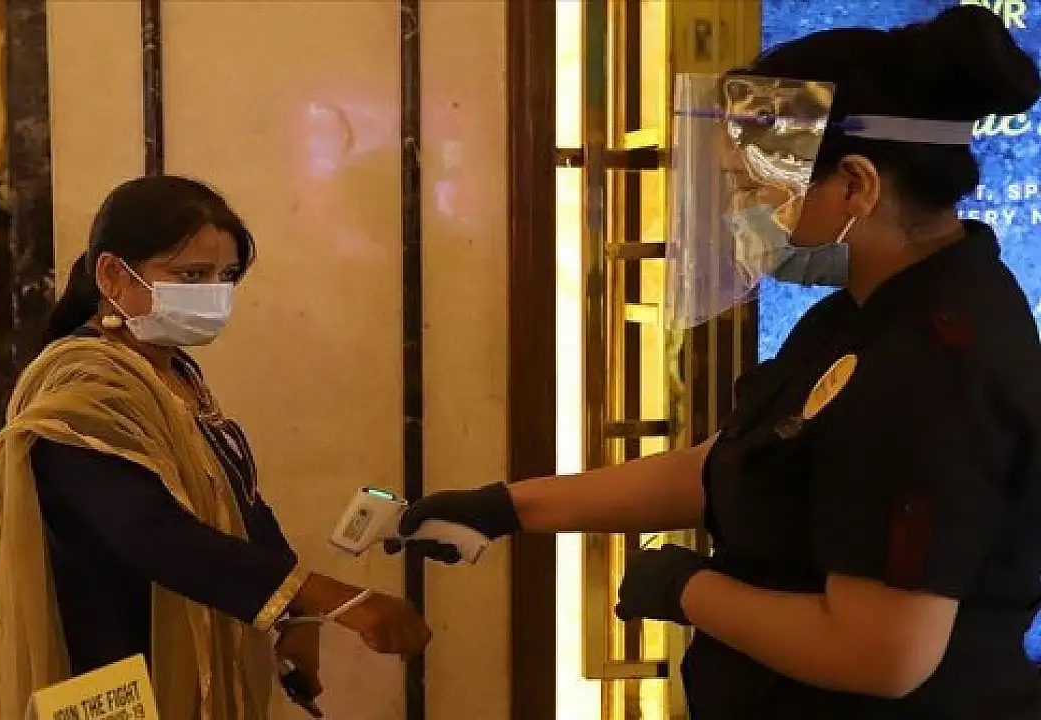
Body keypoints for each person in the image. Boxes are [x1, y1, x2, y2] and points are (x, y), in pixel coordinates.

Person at [392, 6, 1041, 719]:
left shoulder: (933, 363)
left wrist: (688, 589)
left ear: (856, 185)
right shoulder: (858, 313)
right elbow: (737, 463)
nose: (741, 212)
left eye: (758, 187)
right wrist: (509, 508)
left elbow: (882, 656)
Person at [0, 176, 431, 719]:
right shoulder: (83, 385)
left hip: (193, 652)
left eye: (226, 276)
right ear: (113, 274)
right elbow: (150, 532)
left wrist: (295, 617)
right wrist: (328, 597)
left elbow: (237, 501)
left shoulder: (172, 373)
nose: (214, 293)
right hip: (111, 666)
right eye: (191, 275)